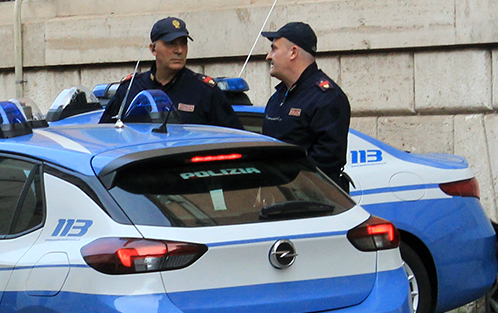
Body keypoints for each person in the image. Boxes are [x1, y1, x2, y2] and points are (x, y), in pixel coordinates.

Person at [100, 17, 244, 129]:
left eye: (183, 43)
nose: (179, 50)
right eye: (171, 43)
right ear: (153, 49)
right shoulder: (130, 88)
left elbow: (236, 139)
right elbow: (105, 136)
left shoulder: (204, 91)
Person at [261, 22, 352, 191]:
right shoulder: (278, 96)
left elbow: (328, 158)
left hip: (313, 202)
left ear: (293, 52)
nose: (268, 56)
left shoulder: (326, 97)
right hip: (278, 196)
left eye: (274, 49)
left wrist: (289, 182)